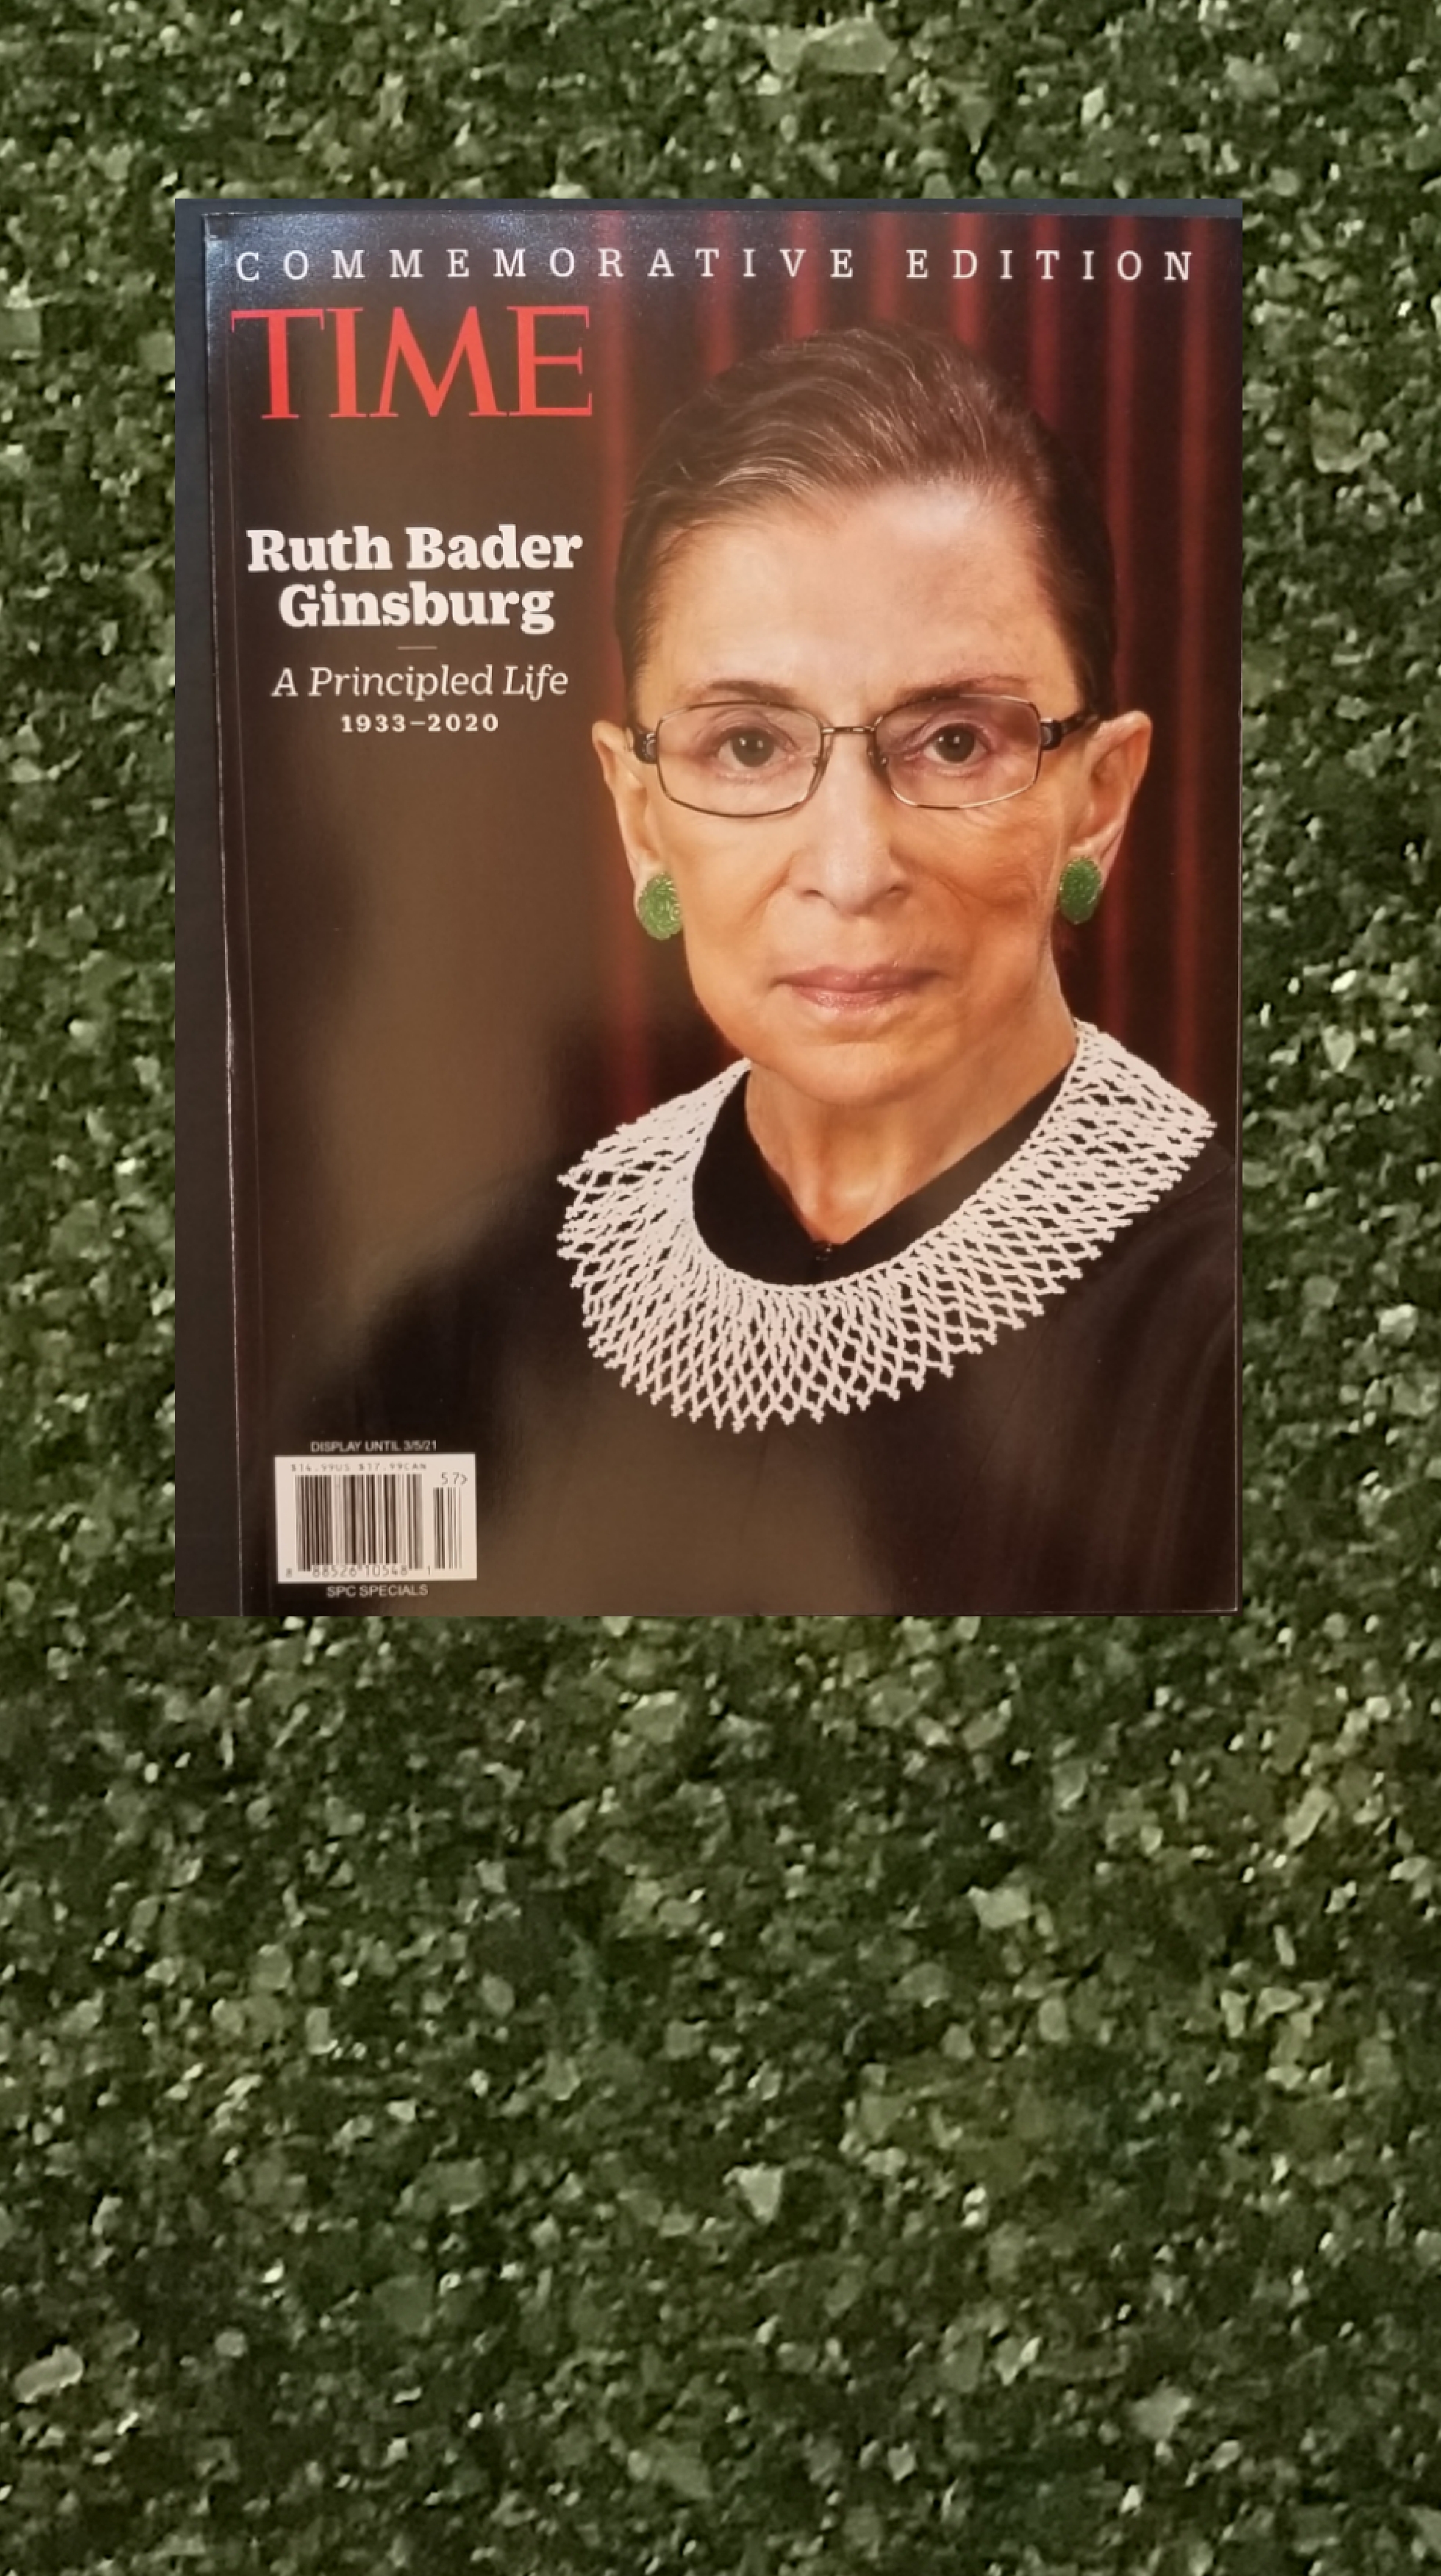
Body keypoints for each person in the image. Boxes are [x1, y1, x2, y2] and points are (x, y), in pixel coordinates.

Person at [294, 324, 1237, 1613]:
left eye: (956, 741)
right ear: (641, 817)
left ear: (1099, 800)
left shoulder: (1234, 1332)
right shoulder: (469, 1324)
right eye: (747, 746)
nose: (850, 869)